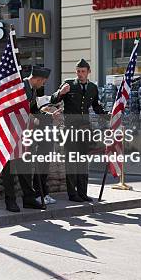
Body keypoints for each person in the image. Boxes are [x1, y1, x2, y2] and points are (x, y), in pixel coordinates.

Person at [51, 58, 107, 202]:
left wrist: (108, 116)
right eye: (78, 71)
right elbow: (53, 100)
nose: (80, 74)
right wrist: (61, 93)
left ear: (89, 72)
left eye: (83, 71)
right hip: (69, 129)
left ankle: (83, 193)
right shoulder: (68, 84)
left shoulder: (93, 88)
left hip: (84, 130)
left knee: (83, 162)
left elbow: (96, 106)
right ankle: (72, 194)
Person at [0, 65, 52, 213]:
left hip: (23, 133)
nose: (43, 84)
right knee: (9, 168)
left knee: (25, 167)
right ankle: (10, 200)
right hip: (10, 131)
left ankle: (28, 198)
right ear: (37, 79)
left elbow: (33, 109)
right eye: (43, 81)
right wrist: (32, 120)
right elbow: (16, 110)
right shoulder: (19, 88)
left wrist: (47, 115)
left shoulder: (32, 89)